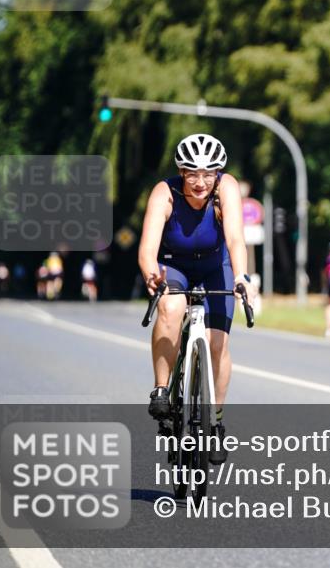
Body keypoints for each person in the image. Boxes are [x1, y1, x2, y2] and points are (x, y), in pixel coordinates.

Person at [137, 133, 252, 465]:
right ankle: (161, 389)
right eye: (192, 174)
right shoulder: (164, 193)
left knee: (218, 343)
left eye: (208, 174)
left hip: (217, 266)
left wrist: (241, 277)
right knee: (172, 307)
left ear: (217, 173)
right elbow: (147, 248)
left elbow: (235, 237)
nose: (201, 182)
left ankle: (215, 422)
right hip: (174, 265)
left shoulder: (226, 188)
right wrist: (151, 274)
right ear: (181, 171)